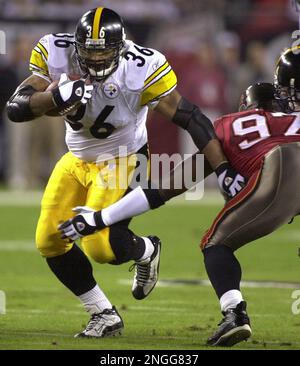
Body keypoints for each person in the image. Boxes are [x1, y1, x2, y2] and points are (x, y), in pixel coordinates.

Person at [6, 7, 246, 339]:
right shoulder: (55, 50)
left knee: (100, 247)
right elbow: (16, 107)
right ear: (76, 46)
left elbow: (190, 117)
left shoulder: (140, 67)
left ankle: (146, 249)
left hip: (124, 157)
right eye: (89, 50)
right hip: (77, 159)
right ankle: (103, 314)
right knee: (49, 241)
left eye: (104, 50)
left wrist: (222, 168)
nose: (95, 58)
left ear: (121, 46)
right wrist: (53, 98)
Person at [60, 61, 300, 346]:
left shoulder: (228, 126)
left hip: (284, 166)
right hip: (285, 170)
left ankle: (235, 314)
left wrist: (99, 219)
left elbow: (162, 190)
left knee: (216, 244)